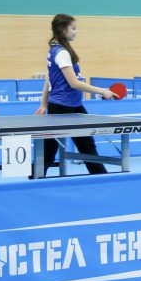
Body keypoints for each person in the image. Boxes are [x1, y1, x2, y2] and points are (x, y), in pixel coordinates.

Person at [34, 13, 115, 176]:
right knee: (53, 150)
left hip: (67, 106)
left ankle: (101, 177)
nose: (76, 31)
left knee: (82, 146)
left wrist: (44, 104)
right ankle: (102, 178)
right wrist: (103, 91)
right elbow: (74, 83)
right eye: (73, 28)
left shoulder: (54, 50)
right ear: (63, 29)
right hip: (64, 108)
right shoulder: (61, 53)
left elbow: (48, 80)